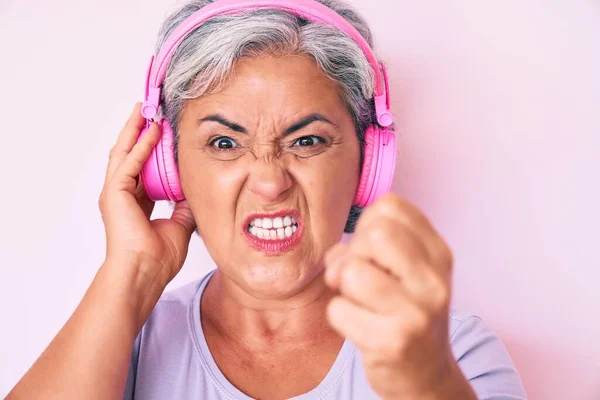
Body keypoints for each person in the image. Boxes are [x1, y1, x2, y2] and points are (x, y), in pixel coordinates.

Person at [7, 1, 527, 399]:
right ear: (169, 168)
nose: (270, 181)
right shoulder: (121, 341)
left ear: (366, 165)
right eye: (224, 143)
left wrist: (427, 380)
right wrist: (131, 273)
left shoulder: (450, 353)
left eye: (307, 140)